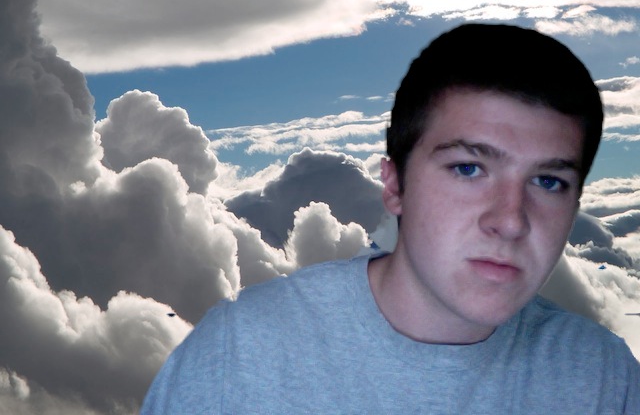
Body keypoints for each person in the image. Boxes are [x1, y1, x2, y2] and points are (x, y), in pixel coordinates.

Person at [141, 24, 640, 414]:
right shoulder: (238, 355)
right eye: (468, 169)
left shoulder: (603, 378)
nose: (511, 221)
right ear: (395, 185)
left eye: (548, 181)